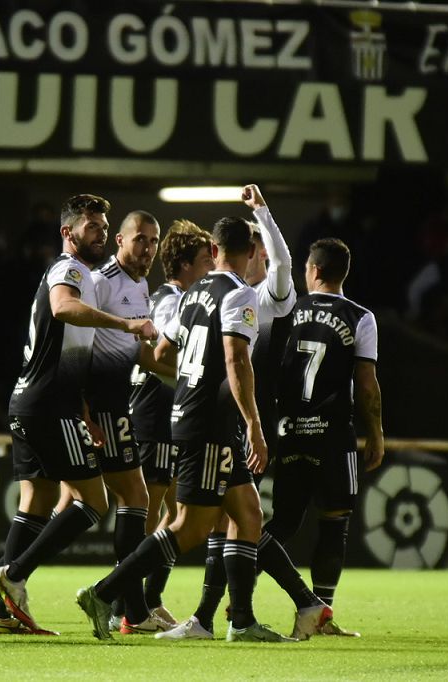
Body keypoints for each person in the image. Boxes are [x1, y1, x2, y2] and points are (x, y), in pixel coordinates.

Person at [78, 216, 294, 643]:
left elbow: (160, 349)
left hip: (189, 414)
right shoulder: (239, 295)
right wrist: (254, 426)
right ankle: (104, 593)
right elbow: (236, 361)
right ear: (250, 252)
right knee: (190, 528)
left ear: (214, 251)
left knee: (248, 512)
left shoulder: (192, 294)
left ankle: (242, 621)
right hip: (212, 425)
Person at [0, 194, 156, 635]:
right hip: (48, 406)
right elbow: (64, 306)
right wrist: (125, 324)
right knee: (94, 502)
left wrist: (84, 412)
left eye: (104, 226)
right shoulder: (71, 270)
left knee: (39, 501)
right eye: (92, 227)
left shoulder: (79, 272)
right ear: (68, 233)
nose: (100, 233)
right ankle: (9, 577)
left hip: (35, 402)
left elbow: (73, 349)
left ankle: (1, 605)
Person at [268, 237, 385, 638]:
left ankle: (239, 603)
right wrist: (377, 435)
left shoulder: (286, 310)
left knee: (279, 525)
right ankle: (321, 613)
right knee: (335, 524)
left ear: (313, 270)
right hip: (333, 436)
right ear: (342, 272)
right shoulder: (360, 317)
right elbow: (366, 385)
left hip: (289, 432)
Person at [86, 209, 176, 634]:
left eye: (154, 241)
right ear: (120, 241)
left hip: (115, 404)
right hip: (94, 406)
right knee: (128, 501)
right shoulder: (100, 282)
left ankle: (129, 607)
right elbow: (76, 349)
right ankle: (130, 608)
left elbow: (136, 352)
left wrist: (183, 375)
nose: (148, 248)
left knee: (123, 502)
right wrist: (83, 413)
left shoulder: (141, 287)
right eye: (140, 238)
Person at [128, 220, 214, 626]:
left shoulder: (193, 298)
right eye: (203, 261)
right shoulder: (170, 299)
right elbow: (157, 355)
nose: (211, 268)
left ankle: (149, 596)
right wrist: (200, 375)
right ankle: (123, 605)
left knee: (179, 509)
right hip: (154, 407)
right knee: (148, 507)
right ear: (182, 265)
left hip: (174, 409)